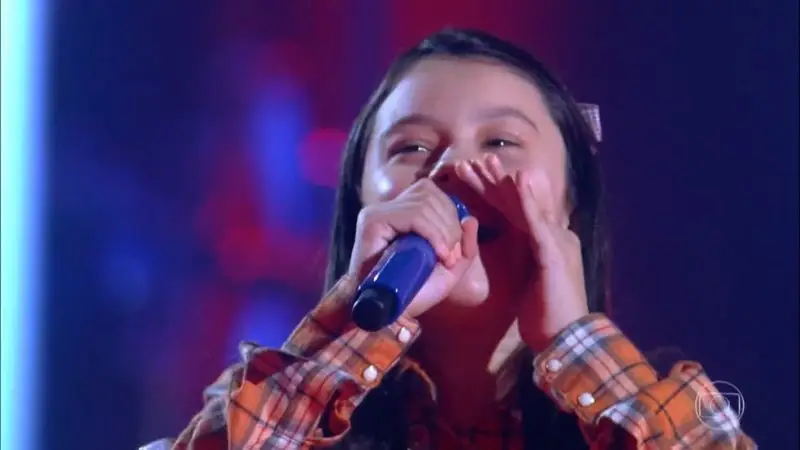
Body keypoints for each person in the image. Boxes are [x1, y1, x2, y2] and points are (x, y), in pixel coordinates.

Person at [146, 28, 756, 449]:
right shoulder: (264, 405)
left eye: (500, 142)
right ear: (362, 203)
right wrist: (356, 327)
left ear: (572, 198)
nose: (453, 170)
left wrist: (573, 343)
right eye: (411, 148)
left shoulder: (663, 413)